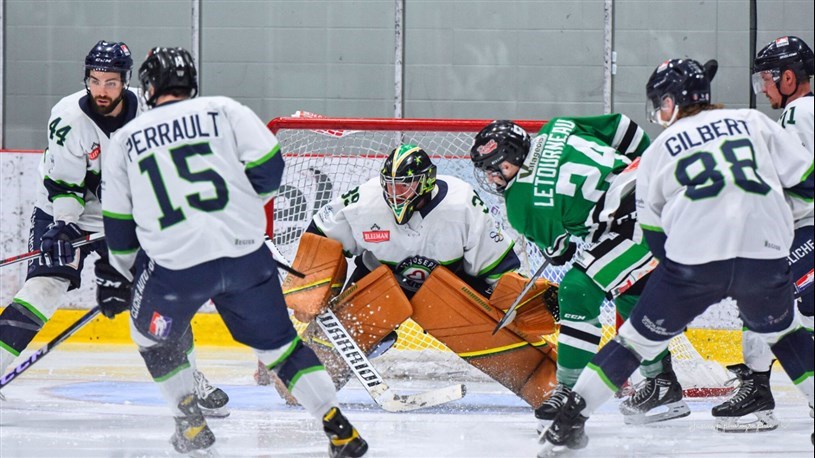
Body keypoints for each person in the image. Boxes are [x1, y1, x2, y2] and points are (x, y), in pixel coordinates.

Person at [100, 46, 367, 457]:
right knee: (281, 348)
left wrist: (124, 272)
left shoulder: (123, 140)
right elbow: (270, 172)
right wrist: (235, 214)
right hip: (245, 256)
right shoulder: (225, 110)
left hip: (176, 266)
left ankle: (190, 424)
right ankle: (338, 427)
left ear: (149, 86)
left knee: (153, 340)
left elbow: (119, 231)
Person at [539, 58, 814, 454]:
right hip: (763, 253)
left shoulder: (659, 150)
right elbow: (807, 184)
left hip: (694, 261)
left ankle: (569, 421)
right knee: (785, 333)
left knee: (634, 342)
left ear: (670, 102)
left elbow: (654, 236)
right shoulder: (755, 122)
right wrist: (768, 216)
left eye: (660, 104)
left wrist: (674, 286)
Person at [0, 40, 227, 414]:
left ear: (125, 81)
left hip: (127, 221)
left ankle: (191, 383)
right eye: (94, 80)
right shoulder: (68, 118)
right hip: (67, 212)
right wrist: (63, 226)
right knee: (45, 285)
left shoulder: (153, 116)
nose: (101, 90)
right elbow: (65, 186)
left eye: (110, 82)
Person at [259, 144, 561, 411]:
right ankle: (342, 353)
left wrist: (521, 303)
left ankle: (553, 380)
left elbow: (498, 269)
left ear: (426, 182)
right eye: (389, 186)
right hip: (377, 285)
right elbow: (321, 236)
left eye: (403, 186)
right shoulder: (364, 200)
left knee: (523, 363)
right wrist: (313, 286)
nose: (394, 194)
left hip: (452, 289)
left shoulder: (461, 203)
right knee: (295, 391)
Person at [469, 114, 688, 427]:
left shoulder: (520, 202)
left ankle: (569, 393)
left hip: (640, 221)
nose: (491, 178)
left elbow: (558, 251)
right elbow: (622, 128)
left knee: (577, 290)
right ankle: (661, 383)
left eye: (495, 168)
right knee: (629, 292)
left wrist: (564, 245)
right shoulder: (557, 127)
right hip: (662, 190)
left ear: (513, 159)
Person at [710, 36, 815, 433]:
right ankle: (759, 391)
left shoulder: (796, 114)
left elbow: (797, 182)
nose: (765, 89)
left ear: (788, 77)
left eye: (767, 80)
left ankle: (758, 395)